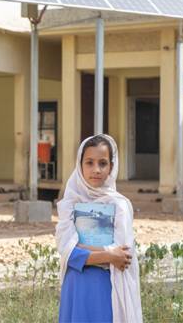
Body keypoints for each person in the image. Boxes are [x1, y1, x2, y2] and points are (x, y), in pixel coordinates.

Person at [56, 134, 143, 323]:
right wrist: (109, 255)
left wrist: (82, 247)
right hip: (77, 287)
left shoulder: (119, 205)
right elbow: (68, 252)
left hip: (107, 288)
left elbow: (124, 256)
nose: (96, 170)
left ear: (111, 167)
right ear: (80, 165)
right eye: (89, 162)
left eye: (102, 163)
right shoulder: (69, 204)